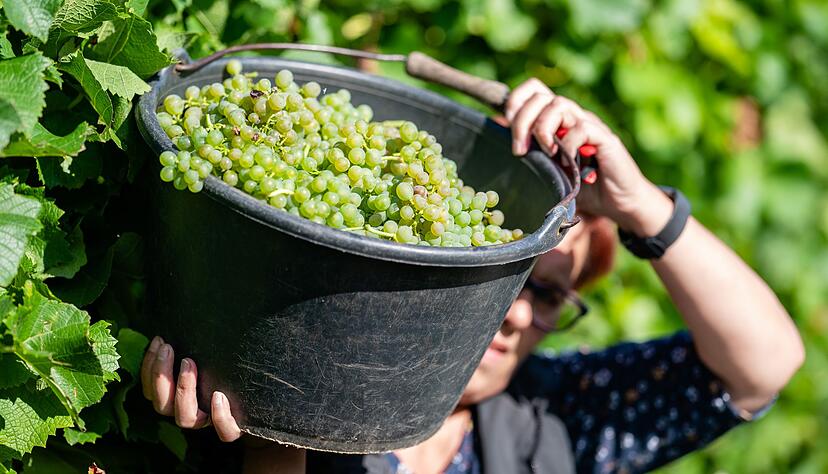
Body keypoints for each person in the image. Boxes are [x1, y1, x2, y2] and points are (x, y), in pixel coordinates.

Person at [141, 79, 804, 474]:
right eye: (508, 273)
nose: (517, 310)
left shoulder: (557, 421)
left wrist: (642, 208)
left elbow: (764, 366)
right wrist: (275, 435)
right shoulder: (292, 358)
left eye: (548, 294)